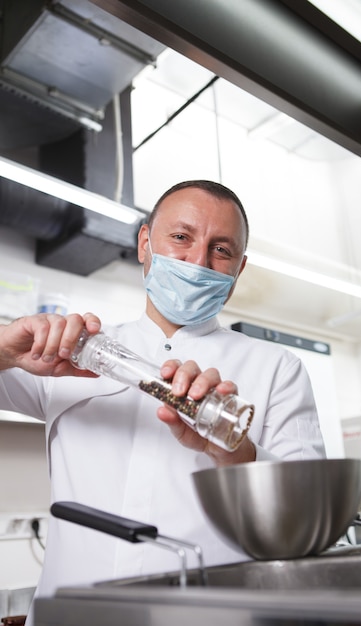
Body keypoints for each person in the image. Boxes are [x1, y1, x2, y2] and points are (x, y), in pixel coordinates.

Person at [0, 180, 325, 625]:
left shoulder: (276, 368)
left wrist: (234, 451)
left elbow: (305, 519)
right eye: (181, 237)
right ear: (144, 243)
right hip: (72, 616)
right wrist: (4, 348)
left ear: (239, 268)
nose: (197, 261)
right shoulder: (70, 352)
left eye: (221, 250)